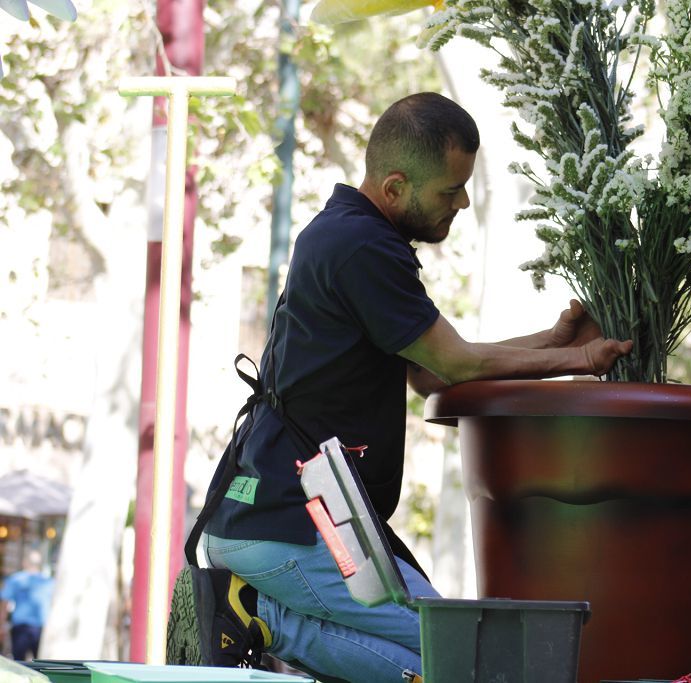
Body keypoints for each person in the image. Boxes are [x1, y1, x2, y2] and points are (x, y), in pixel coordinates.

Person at [167, 92, 632, 683]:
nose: (462, 202)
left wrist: (555, 340)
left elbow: (430, 372)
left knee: (443, 665)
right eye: (448, 190)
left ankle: (259, 616)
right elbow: (456, 363)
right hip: (295, 526)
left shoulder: (344, 234)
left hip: (272, 522)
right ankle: (262, 619)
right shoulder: (364, 248)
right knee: (474, 654)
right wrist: (582, 358)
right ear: (393, 188)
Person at [1, 550, 53, 661]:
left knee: (19, 665)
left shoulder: (15, 579)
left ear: (25, 563)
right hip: (39, 629)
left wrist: (1, 625)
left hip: (21, 628)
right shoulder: (49, 582)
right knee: (40, 664)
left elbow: (4, 604)